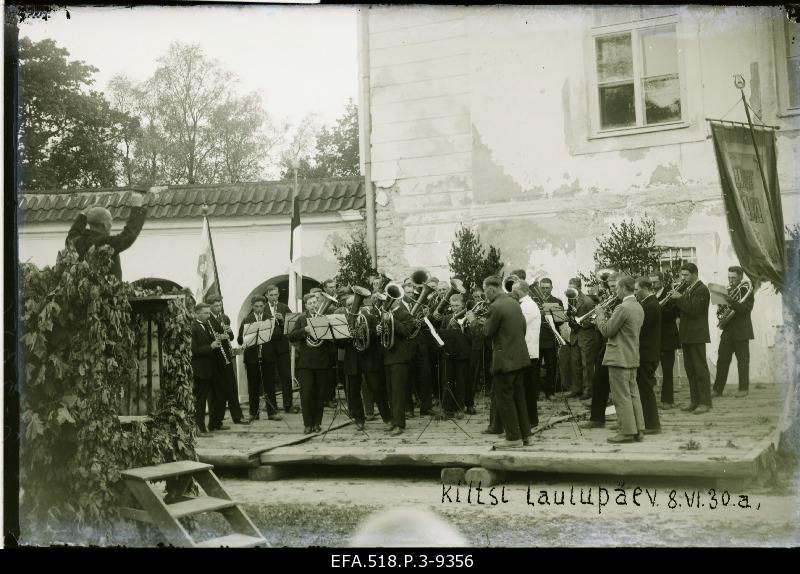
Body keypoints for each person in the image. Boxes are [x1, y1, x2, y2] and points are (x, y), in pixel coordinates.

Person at [466, 275, 531, 449]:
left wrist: (473, 321)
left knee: (504, 399)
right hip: (519, 357)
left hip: (504, 361)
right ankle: (525, 436)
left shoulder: (496, 306)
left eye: (485, 291)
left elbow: (486, 333)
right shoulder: (514, 303)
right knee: (519, 398)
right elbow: (522, 328)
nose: (485, 295)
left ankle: (513, 439)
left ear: (491, 289)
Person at [595, 276, 645, 444]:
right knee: (633, 394)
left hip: (619, 358)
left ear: (624, 288)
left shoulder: (622, 307)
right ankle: (639, 430)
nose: (615, 291)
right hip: (632, 356)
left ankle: (626, 432)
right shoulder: (638, 306)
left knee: (620, 396)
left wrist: (600, 316)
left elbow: (607, 331)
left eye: (617, 288)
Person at [66, 191, 147, 280]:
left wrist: (83, 215)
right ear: (105, 224)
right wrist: (137, 207)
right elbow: (128, 236)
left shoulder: (76, 241)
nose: (111, 224)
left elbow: (73, 233)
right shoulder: (103, 243)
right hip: (105, 293)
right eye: (110, 221)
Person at [344, 294, 392, 429]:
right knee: (353, 392)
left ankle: (387, 418)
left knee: (377, 389)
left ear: (359, 304)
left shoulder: (369, 317)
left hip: (369, 358)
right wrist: (349, 335)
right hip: (352, 360)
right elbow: (339, 344)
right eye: (348, 305)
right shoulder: (344, 321)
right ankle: (359, 419)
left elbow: (377, 336)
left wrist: (367, 332)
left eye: (353, 304)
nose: (351, 307)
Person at [289, 293, 334, 434]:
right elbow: (291, 336)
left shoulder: (324, 319)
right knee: (306, 394)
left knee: (320, 394)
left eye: (315, 302)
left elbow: (332, 338)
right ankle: (307, 424)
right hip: (306, 364)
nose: (313, 305)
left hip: (322, 362)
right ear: (306, 306)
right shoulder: (302, 319)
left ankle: (317, 423)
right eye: (310, 303)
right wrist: (305, 330)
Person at [670, 262, 712, 414]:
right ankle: (695, 401)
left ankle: (705, 403)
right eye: (682, 275)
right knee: (690, 370)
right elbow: (682, 309)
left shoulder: (702, 289)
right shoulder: (689, 288)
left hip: (697, 335)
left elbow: (694, 310)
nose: (683, 278)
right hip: (687, 335)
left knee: (700, 370)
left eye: (686, 275)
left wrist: (679, 298)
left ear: (695, 274)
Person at [378, 283, 416, 436]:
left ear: (398, 300)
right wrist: (379, 329)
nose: (387, 300)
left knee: (398, 392)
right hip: (388, 357)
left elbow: (406, 332)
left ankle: (399, 424)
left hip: (400, 358)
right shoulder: (385, 313)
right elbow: (385, 334)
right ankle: (394, 421)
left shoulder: (404, 313)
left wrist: (391, 319)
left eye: (391, 298)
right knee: (391, 392)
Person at [713, 266, 755, 398]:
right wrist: (720, 307)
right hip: (727, 331)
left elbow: (744, 310)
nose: (730, 281)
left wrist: (730, 301)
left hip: (742, 331)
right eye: (729, 277)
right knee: (722, 361)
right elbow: (719, 314)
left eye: (733, 278)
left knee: (742, 361)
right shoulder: (726, 290)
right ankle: (717, 390)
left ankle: (743, 389)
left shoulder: (747, 290)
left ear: (741, 277)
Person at [207, 295, 249, 427]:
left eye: (219, 305)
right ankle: (216, 421)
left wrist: (230, 332)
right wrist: (219, 336)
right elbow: (207, 338)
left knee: (231, 387)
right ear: (210, 306)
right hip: (215, 359)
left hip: (226, 358)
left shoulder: (224, 318)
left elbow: (230, 337)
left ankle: (237, 416)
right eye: (215, 306)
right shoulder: (207, 319)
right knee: (218, 392)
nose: (218, 308)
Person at [634, 277, 662, 434]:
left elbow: (642, 329)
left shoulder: (650, 305)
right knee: (644, 388)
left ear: (645, 288)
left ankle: (652, 425)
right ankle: (647, 423)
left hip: (646, 354)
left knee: (646, 389)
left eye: (637, 289)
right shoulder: (649, 303)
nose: (636, 293)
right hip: (648, 353)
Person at [237, 295, 272, 421]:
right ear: (252, 306)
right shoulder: (247, 319)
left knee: (269, 384)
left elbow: (278, 335)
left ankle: (272, 412)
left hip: (267, 356)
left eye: (261, 306)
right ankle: (253, 412)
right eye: (256, 306)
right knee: (253, 386)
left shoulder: (270, 318)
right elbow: (239, 340)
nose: (259, 309)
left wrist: (268, 333)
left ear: (264, 306)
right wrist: (248, 336)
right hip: (252, 358)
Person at [512, 280, 541, 429]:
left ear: (521, 291)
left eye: (513, 290)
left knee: (528, 389)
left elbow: (517, 323)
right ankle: (527, 419)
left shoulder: (528, 305)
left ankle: (531, 420)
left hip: (529, 353)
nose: (511, 293)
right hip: (524, 351)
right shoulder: (523, 304)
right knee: (524, 388)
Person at [437, 293, 471, 419]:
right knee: (447, 381)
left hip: (462, 354)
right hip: (448, 353)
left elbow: (471, 338)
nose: (454, 308)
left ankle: (459, 408)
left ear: (462, 305)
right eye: (452, 306)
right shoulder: (446, 318)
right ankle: (447, 409)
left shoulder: (467, 317)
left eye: (457, 306)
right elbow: (441, 333)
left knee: (461, 382)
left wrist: (460, 330)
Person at [264, 285, 295, 415]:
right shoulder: (262, 308)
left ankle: (288, 405)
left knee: (286, 375)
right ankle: (272, 406)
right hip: (268, 346)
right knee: (270, 377)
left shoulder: (284, 307)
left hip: (282, 346)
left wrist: (282, 321)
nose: (274, 298)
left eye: (276, 295)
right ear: (266, 296)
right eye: (271, 295)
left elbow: (292, 327)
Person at [191, 303, 221, 437]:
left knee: (213, 397)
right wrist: (211, 346)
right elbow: (194, 351)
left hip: (210, 369)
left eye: (209, 313)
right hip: (201, 370)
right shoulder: (193, 327)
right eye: (206, 313)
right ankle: (200, 429)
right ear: (197, 313)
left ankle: (212, 424)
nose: (209, 316)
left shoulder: (206, 325)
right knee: (200, 401)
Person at [651, 272, 680, 409]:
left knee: (667, 370)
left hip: (667, 337)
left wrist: (655, 309)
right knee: (649, 369)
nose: (653, 285)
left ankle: (668, 400)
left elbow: (672, 314)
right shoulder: (651, 295)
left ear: (662, 281)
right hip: (654, 338)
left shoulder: (670, 294)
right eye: (651, 282)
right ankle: (650, 399)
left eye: (655, 282)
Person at [569, 277, 599, 399]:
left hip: (586, 336)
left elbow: (594, 319)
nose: (571, 290)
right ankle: (577, 389)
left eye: (573, 288)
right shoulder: (571, 299)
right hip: (575, 336)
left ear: (579, 287)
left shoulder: (587, 301)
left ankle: (588, 390)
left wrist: (581, 323)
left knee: (587, 364)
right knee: (575, 363)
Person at [537, 278, 564, 397]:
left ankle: (550, 391)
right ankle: (535, 392)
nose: (545, 290)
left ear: (551, 288)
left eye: (547, 288)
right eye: (542, 288)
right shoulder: (534, 301)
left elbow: (560, 322)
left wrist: (549, 318)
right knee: (535, 367)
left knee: (551, 366)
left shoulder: (556, 301)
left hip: (550, 339)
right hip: (536, 339)